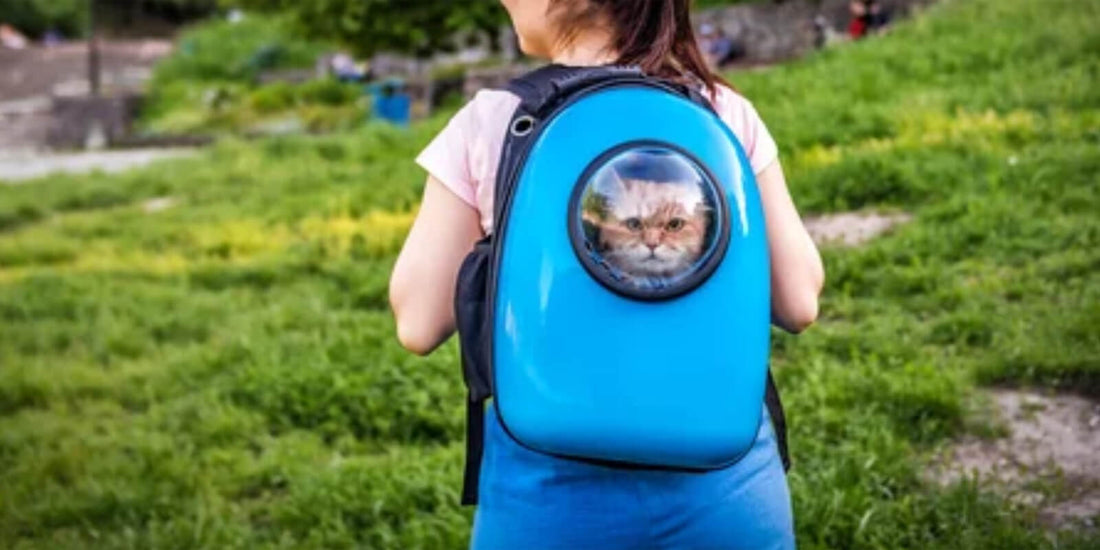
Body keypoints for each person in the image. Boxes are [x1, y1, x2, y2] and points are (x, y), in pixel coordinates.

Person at [389, 0, 824, 548]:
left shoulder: (491, 121)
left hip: (548, 498)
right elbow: (799, 301)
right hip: (727, 491)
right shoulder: (720, 110)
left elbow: (417, 321)